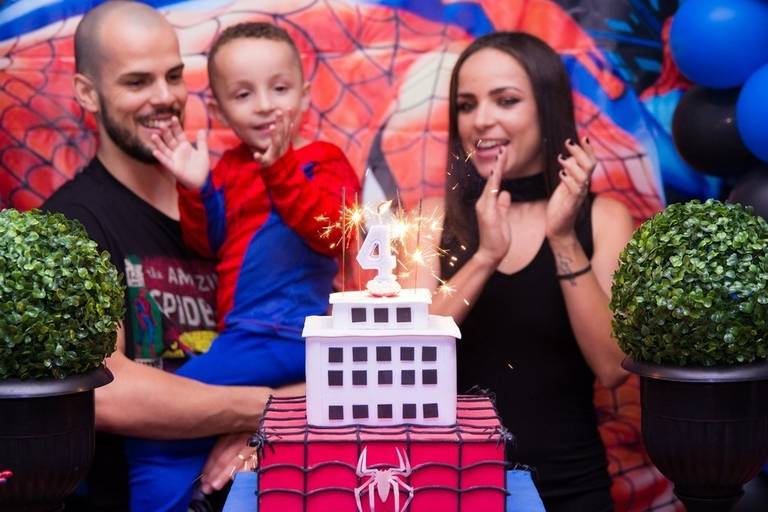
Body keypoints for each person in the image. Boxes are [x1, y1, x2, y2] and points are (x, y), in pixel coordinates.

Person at [42, 3, 302, 511]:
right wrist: (265, 410)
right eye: (137, 81)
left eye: (174, 76)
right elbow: (102, 389)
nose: (165, 97)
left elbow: (313, 344)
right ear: (87, 93)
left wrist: (269, 428)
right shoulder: (72, 225)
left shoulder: (233, 196)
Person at [125, 21, 359, 511]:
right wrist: (196, 189)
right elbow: (209, 245)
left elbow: (334, 236)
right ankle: (201, 497)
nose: (265, 104)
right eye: (244, 94)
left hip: (284, 334)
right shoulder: (230, 168)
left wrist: (280, 170)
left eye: (280, 89)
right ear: (219, 110)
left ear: (305, 94)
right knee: (191, 435)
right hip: (246, 338)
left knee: (158, 425)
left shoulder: (323, 160)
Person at [427, 32, 634, 511]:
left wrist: (562, 237)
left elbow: (612, 368)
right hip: (448, 489)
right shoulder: (433, 221)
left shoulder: (604, 218)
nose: (481, 119)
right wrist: (485, 257)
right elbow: (407, 356)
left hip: (569, 488)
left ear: (547, 107)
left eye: (506, 100)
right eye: (466, 104)